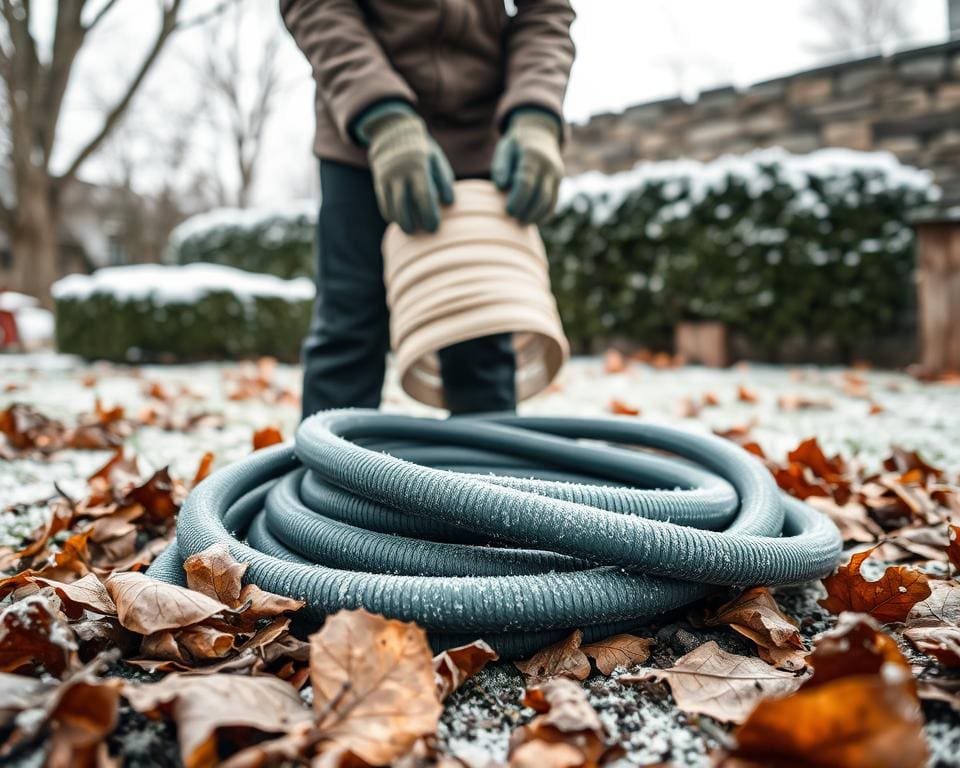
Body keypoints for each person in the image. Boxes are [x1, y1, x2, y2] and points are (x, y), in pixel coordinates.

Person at [280, 0, 575, 418]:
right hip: (361, 142)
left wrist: (535, 113)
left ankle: (486, 479)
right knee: (348, 330)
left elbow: (546, 10)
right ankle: (329, 476)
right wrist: (381, 115)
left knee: (482, 336)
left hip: (481, 141)